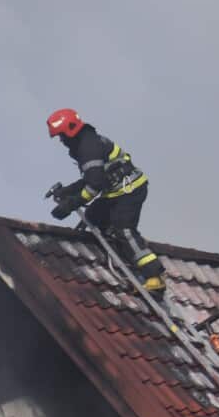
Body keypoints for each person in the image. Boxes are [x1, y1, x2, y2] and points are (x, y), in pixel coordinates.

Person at [46, 108, 165, 295]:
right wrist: (68, 191)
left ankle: (154, 278)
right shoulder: (85, 143)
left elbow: (94, 186)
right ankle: (122, 255)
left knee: (124, 230)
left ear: (70, 130)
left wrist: (70, 204)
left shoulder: (88, 147)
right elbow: (92, 177)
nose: (61, 141)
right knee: (92, 218)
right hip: (115, 193)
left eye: (61, 135)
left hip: (130, 191)